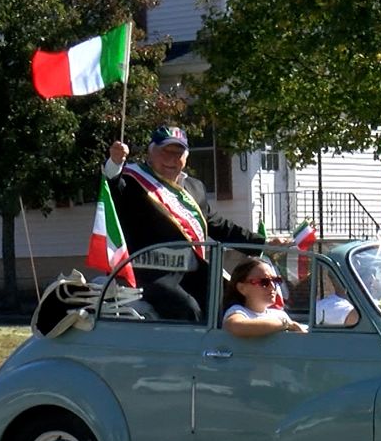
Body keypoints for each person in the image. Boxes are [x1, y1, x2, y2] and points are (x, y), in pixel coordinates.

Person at [103, 126, 266, 320]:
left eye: (178, 153)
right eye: (166, 152)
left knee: (230, 300)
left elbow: (217, 224)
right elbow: (112, 187)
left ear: (186, 157)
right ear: (151, 152)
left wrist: (262, 243)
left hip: (191, 269)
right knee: (187, 309)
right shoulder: (132, 181)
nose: (172, 159)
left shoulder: (194, 187)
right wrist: (115, 163)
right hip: (151, 272)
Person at [222, 258, 307, 337]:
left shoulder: (280, 314)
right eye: (264, 282)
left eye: (275, 280)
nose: (273, 286)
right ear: (242, 288)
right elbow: (236, 327)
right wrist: (285, 324)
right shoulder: (237, 311)